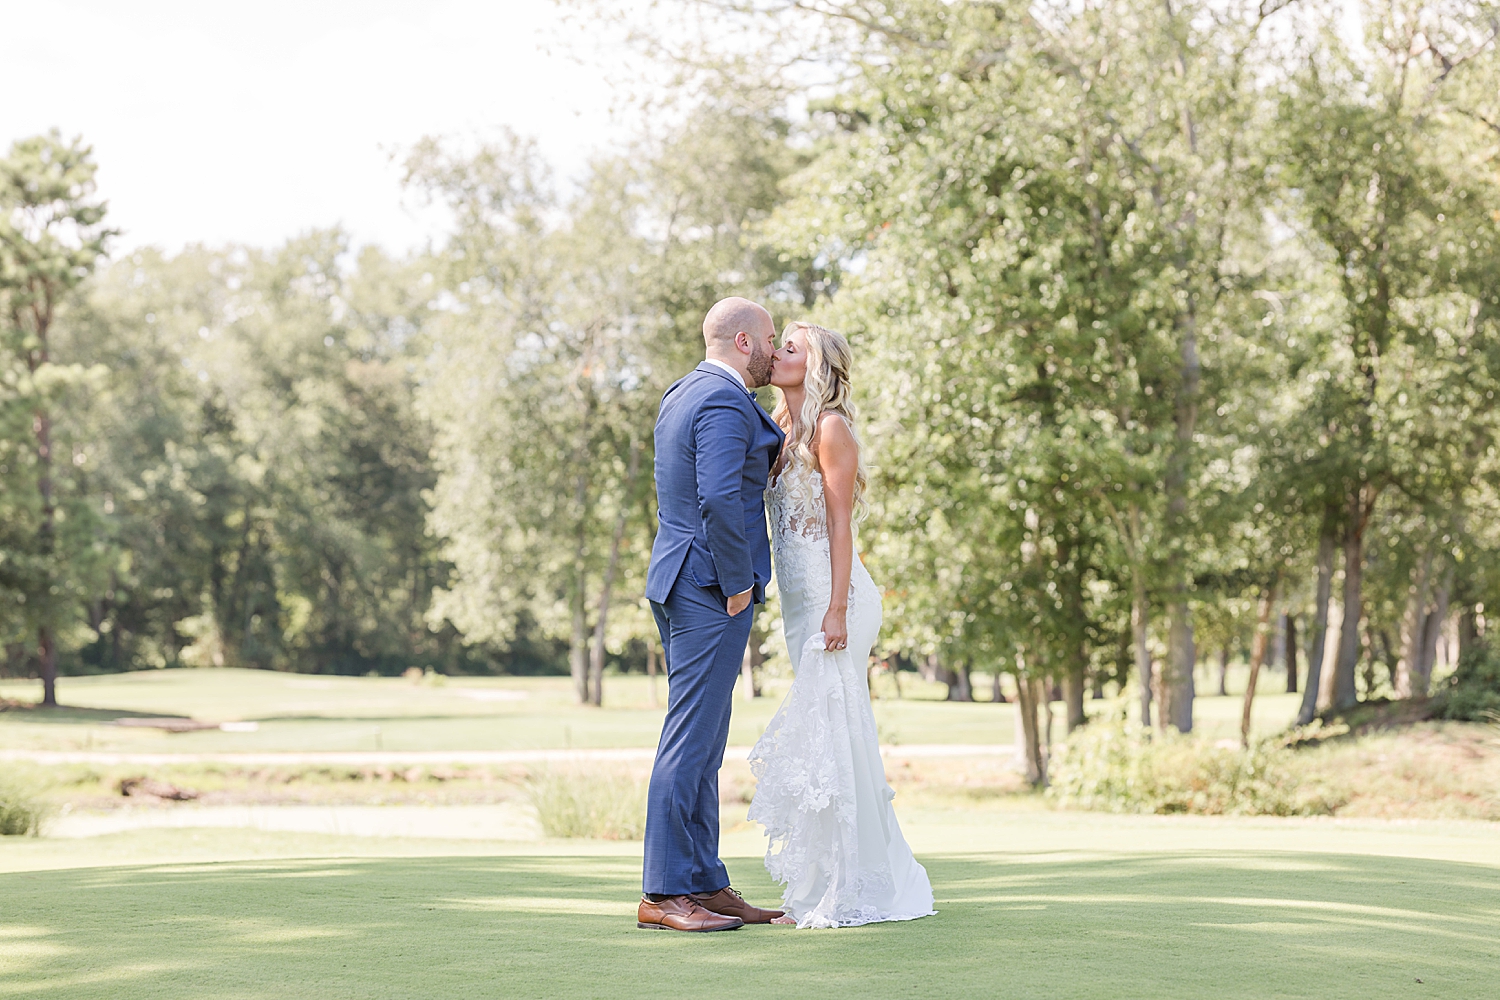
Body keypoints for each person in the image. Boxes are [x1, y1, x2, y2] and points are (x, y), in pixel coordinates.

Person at [748, 320, 936, 929]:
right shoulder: (778, 427)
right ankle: (817, 886)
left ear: (819, 365)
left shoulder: (830, 429)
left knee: (836, 736)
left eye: (792, 348)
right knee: (822, 742)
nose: (778, 353)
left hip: (840, 599)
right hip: (799, 603)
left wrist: (835, 609)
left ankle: (852, 889)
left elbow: (839, 526)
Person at [637, 296, 788, 932]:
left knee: (705, 739)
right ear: (745, 342)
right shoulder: (725, 400)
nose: (776, 351)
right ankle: (665, 893)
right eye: (772, 339)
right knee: (691, 738)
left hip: (679, 575)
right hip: (707, 584)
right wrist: (735, 583)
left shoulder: (682, 392)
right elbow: (720, 495)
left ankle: (704, 881)